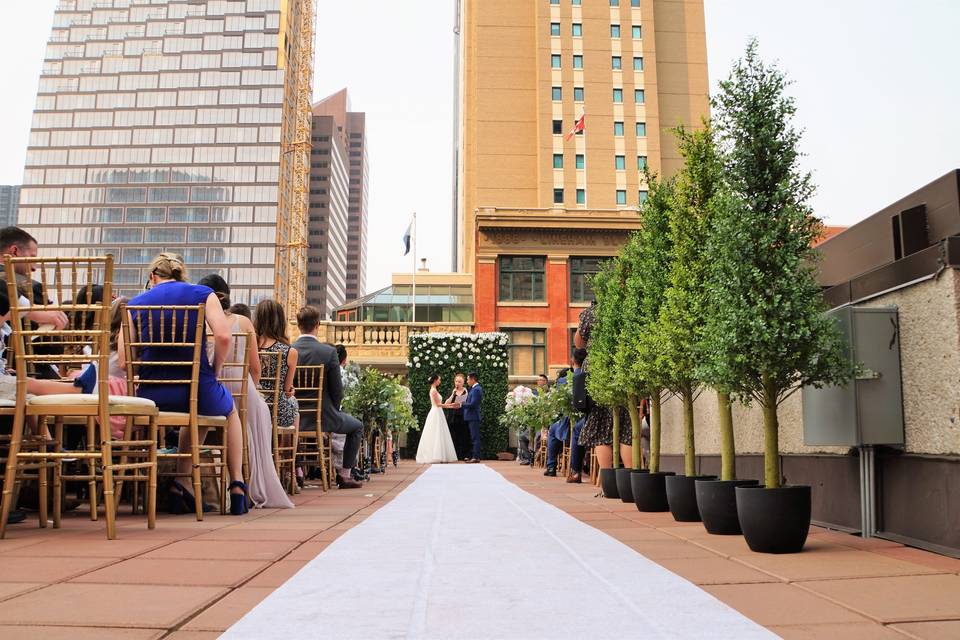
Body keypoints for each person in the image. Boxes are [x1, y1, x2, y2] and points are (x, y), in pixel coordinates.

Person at [118, 253, 249, 515]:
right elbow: (224, 336)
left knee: (197, 414)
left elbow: (123, 361)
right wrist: (215, 368)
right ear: (180, 273)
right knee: (229, 412)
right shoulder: (203, 293)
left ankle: (181, 482)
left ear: (152, 277)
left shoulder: (136, 303)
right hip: (197, 388)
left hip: (152, 395)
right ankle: (236, 485)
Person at [197, 276, 292, 509]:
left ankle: (190, 484)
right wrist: (252, 390)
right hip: (243, 391)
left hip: (208, 390)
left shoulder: (198, 323)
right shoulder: (243, 322)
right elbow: (255, 369)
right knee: (258, 413)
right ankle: (243, 484)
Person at [291, 305, 363, 488]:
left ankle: (298, 471)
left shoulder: (289, 350)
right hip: (324, 417)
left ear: (298, 325)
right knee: (357, 427)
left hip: (294, 418)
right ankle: (345, 475)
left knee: (292, 434)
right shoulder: (327, 352)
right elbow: (337, 390)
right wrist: (334, 409)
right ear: (318, 325)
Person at [575, 302, 632, 476]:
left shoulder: (591, 312)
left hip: (595, 367)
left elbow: (578, 343)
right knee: (626, 424)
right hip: (620, 364)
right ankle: (629, 480)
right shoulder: (625, 305)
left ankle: (608, 482)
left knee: (600, 426)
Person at [253, 299, 299, 432]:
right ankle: (289, 453)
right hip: (275, 412)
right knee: (295, 405)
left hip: (251, 407)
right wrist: (291, 390)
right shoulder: (289, 352)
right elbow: (286, 389)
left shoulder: (250, 346)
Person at [544, 350, 587, 477]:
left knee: (552, 429)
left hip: (571, 422)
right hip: (588, 419)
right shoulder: (589, 377)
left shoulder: (563, 381)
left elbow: (557, 405)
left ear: (572, 360)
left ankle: (551, 466)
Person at [415, 374, 459, 464]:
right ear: (435, 380)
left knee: (439, 432)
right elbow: (437, 404)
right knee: (435, 432)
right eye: (439, 379)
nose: (440, 381)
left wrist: (449, 405)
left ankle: (439, 455)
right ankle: (434, 455)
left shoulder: (434, 390)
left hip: (438, 412)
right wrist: (450, 406)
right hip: (436, 412)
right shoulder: (433, 390)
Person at [456, 372, 483, 463]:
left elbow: (473, 404)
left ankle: (476, 457)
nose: (467, 381)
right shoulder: (474, 389)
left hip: (473, 417)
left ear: (472, 379)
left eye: (468, 379)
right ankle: (473, 456)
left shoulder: (476, 389)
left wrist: (461, 404)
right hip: (471, 417)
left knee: (475, 438)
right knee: (472, 437)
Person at [444, 373, 470, 461]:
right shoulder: (452, 391)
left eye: (459, 381)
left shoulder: (467, 391)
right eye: (456, 381)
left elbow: (469, 403)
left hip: (463, 416)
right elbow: (446, 404)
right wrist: (452, 394)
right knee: (453, 436)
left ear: (463, 382)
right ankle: (454, 456)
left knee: (463, 436)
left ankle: (464, 455)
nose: (457, 383)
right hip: (453, 417)